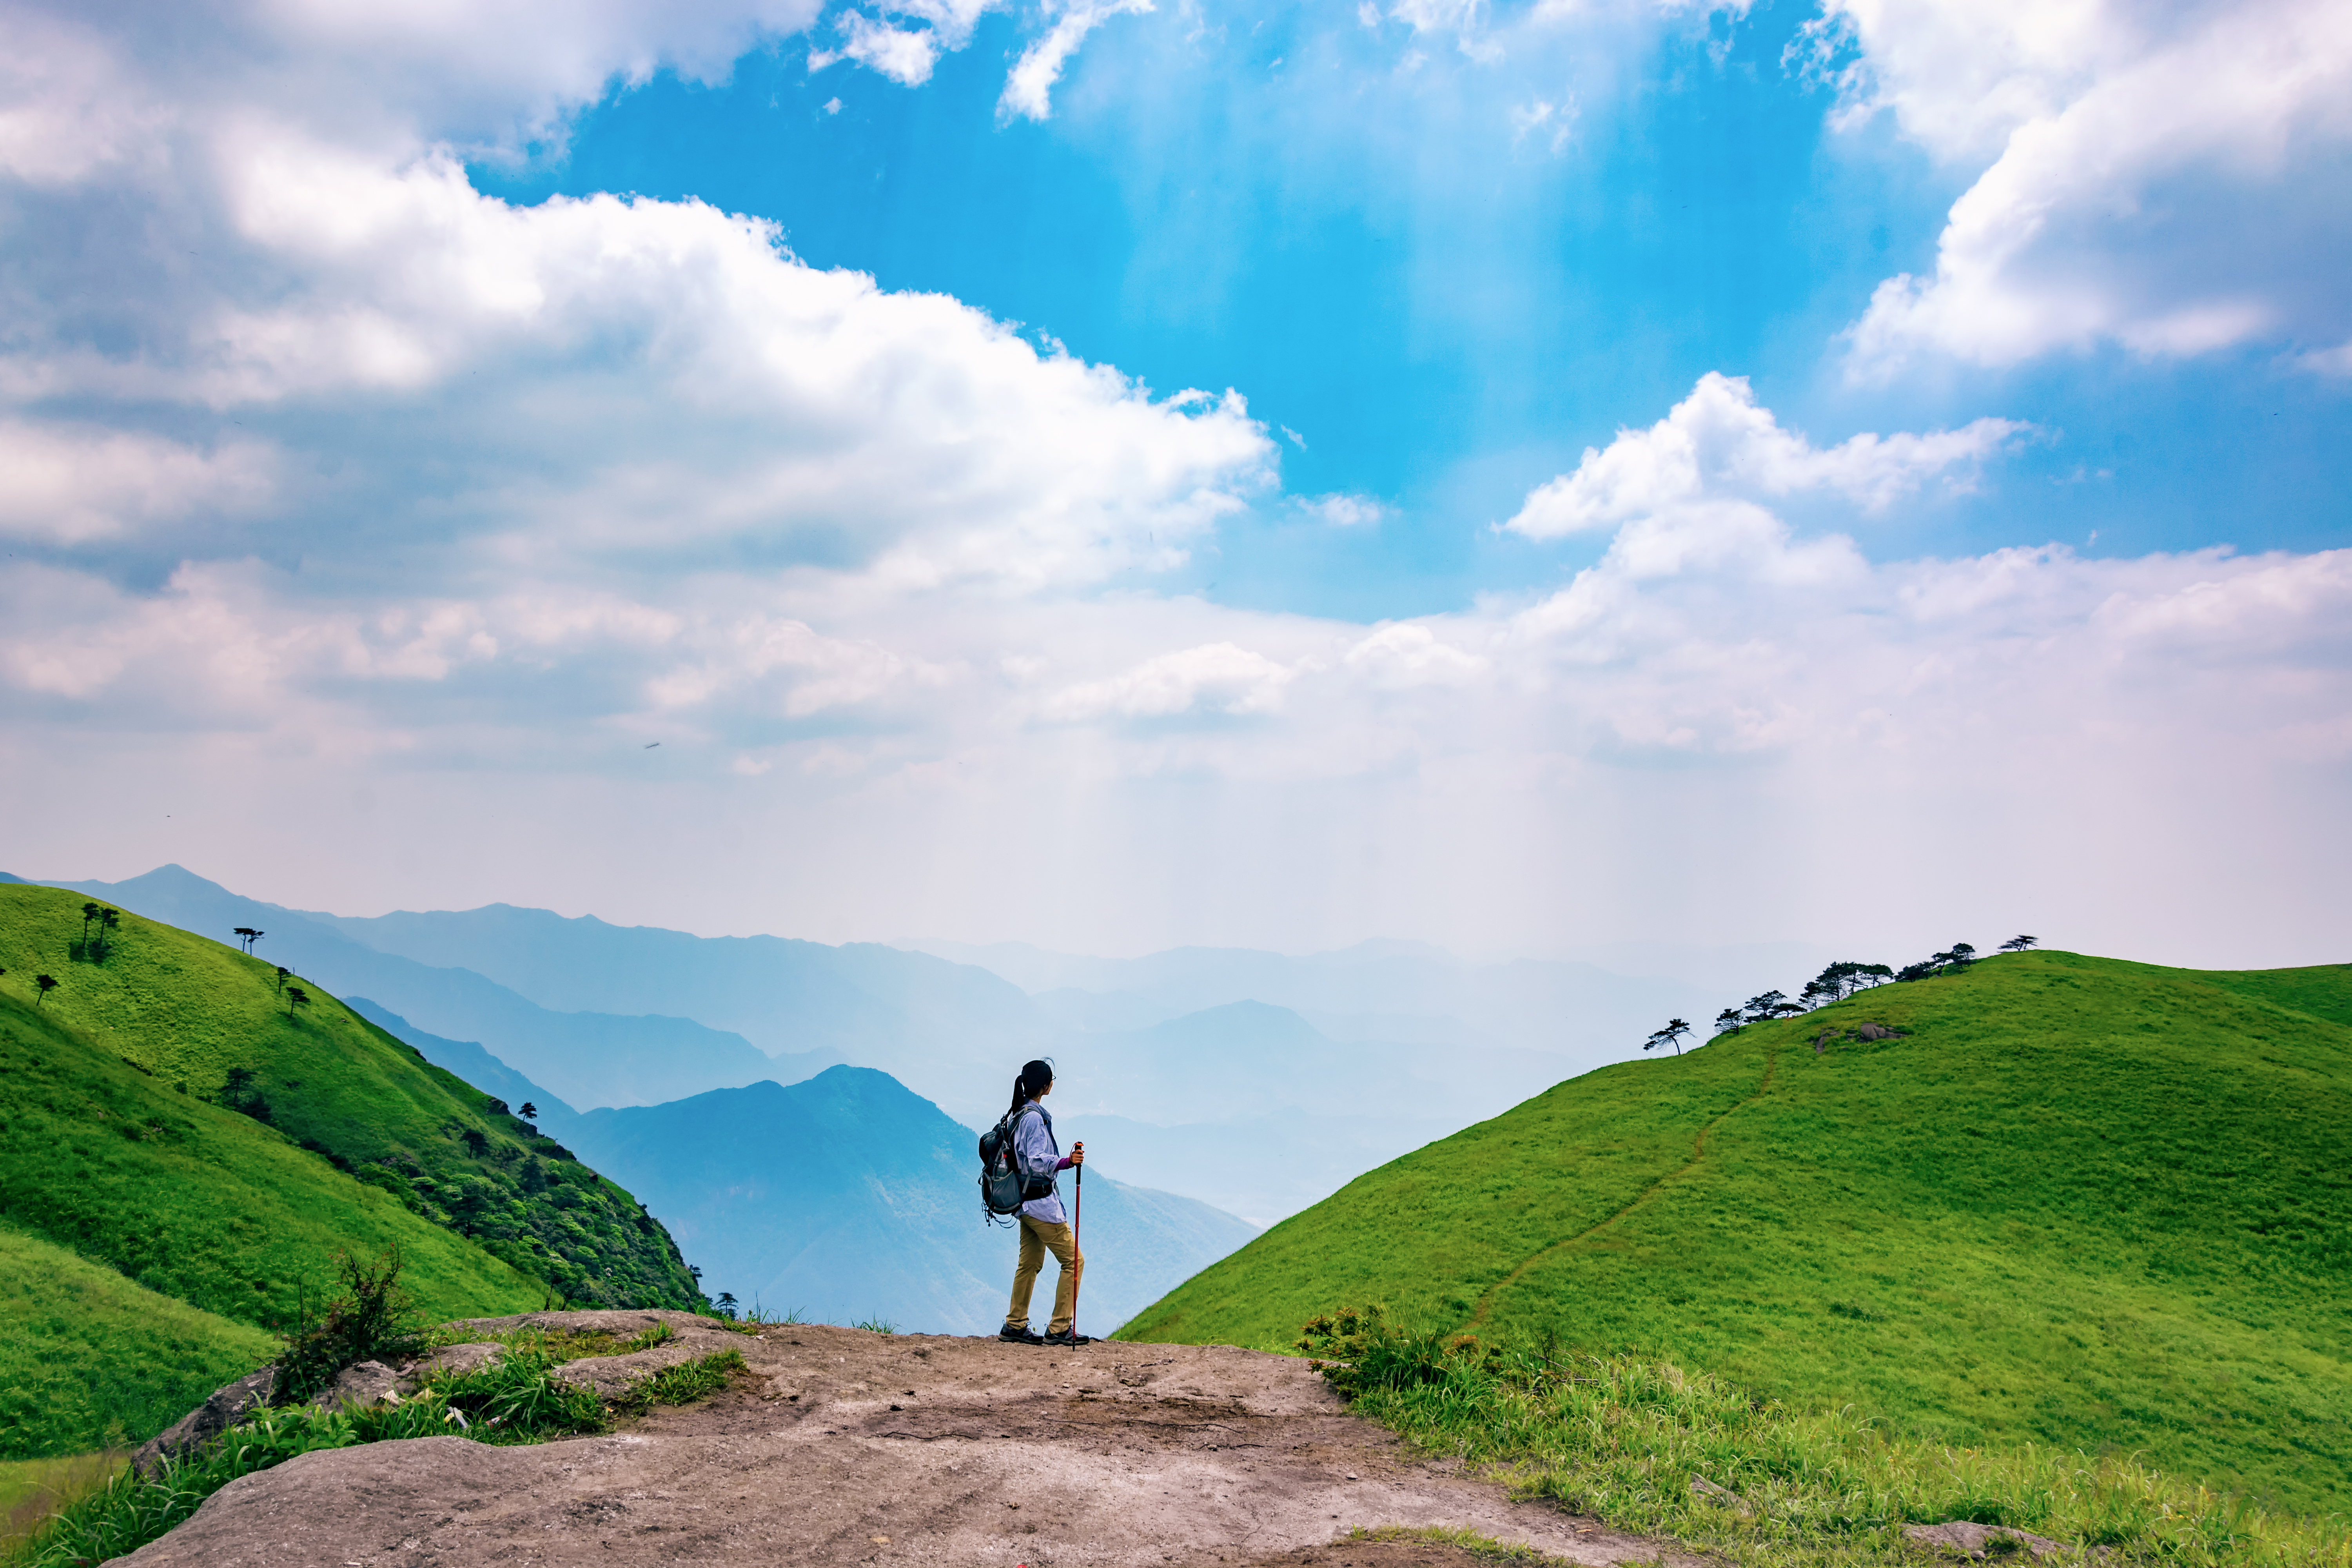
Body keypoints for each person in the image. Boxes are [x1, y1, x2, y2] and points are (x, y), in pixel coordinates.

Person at [999, 1058, 1089, 1347]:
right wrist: (1067, 1161)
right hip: (1040, 1205)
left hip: (1024, 1204)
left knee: (1030, 1263)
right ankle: (1060, 1328)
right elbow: (1037, 1161)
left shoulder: (1018, 1113)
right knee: (1074, 1261)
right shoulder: (1034, 1119)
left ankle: (1014, 1324)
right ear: (1047, 1087)